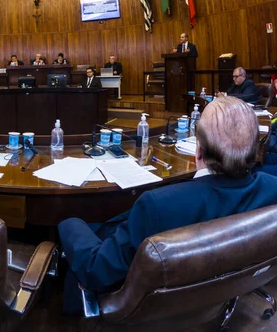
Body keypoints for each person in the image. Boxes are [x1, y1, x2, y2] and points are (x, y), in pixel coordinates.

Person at [58, 96, 277, 310]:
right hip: (222, 289)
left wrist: (68, 221)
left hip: (144, 307)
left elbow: (97, 271)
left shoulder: (157, 205)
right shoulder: (272, 188)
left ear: (198, 150)